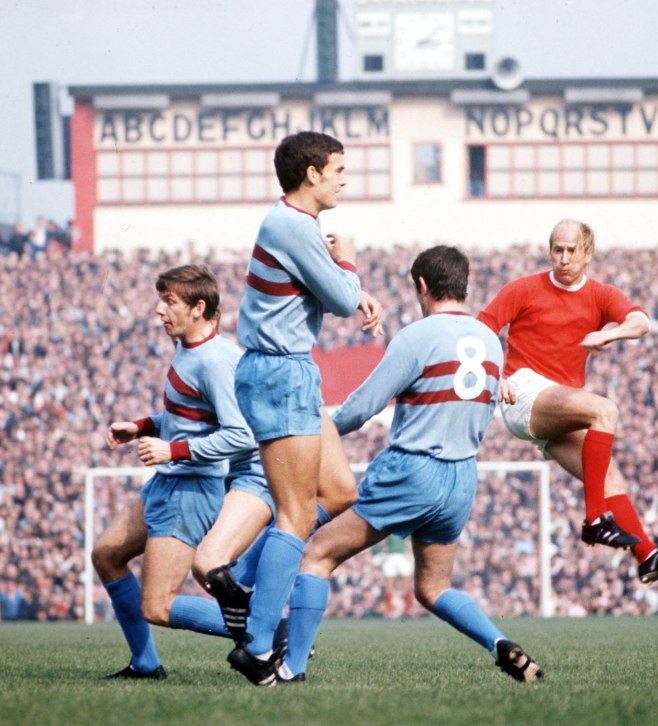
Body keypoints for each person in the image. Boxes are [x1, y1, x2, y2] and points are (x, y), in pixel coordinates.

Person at [272, 245, 542, 686]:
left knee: (317, 556)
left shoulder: (417, 336)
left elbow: (362, 409)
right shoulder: (491, 341)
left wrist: (315, 434)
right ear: (463, 284)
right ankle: (499, 643)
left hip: (413, 470)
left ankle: (292, 668)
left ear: (422, 285)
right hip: (461, 479)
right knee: (433, 587)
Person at [226, 130, 383, 684]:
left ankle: (246, 575)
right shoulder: (293, 225)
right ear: (311, 173)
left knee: (340, 492)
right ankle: (256, 644)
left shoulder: (293, 224)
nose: (345, 177)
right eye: (338, 168)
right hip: (282, 371)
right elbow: (340, 298)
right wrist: (349, 265)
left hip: (287, 371)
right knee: (294, 513)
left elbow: (326, 292)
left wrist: (343, 277)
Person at [477, 219, 658, 584]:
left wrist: (612, 333)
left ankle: (647, 555)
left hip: (556, 407)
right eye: (556, 250)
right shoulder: (524, 289)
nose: (562, 258)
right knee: (604, 409)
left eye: (570, 250)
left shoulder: (600, 295)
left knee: (609, 475)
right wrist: (493, 375)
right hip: (524, 391)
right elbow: (481, 328)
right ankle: (595, 520)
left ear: (587, 253)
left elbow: (641, 322)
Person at [92, 264, 257, 679]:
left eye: (169, 302)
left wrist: (172, 450)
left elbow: (241, 436)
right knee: (107, 554)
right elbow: (188, 418)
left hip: (192, 489)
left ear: (198, 308)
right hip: (170, 481)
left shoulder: (217, 361)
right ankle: (145, 663)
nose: (159, 311)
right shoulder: (187, 347)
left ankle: (265, 628)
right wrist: (142, 427)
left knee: (158, 605)